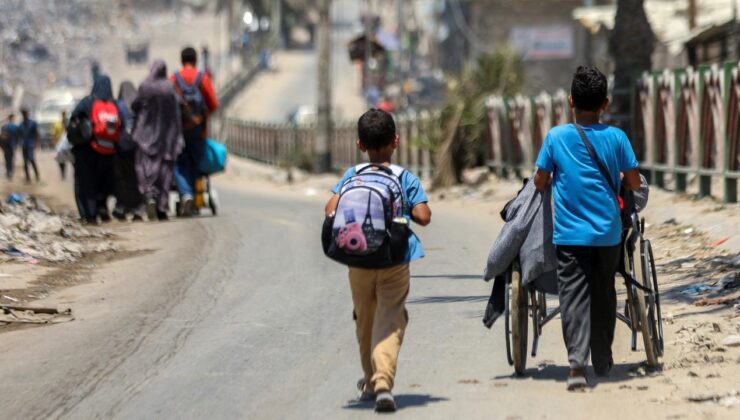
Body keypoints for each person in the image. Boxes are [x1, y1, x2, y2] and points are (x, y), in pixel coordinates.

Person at [533, 66, 641, 390]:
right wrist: (620, 177)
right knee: (604, 291)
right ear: (605, 104)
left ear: (570, 101)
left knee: (573, 296)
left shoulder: (555, 137)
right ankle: (603, 358)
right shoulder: (617, 138)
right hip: (608, 235)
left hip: (569, 236)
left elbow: (540, 181)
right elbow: (634, 181)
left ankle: (577, 364)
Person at [323, 109, 432, 412]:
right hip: (394, 259)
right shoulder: (405, 178)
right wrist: (402, 210)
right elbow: (423, 216)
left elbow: (330, 209)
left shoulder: (352, 175)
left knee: (365, 319)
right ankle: (383, 381)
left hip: (357, 259)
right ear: (395, 141)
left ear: (360, 144)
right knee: (390, 317)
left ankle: (370, 381)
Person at [70, 75, 126, 224]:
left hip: (88, 150)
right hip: (109, 151)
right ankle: (101, 207)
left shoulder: (88, 102)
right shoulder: (114, 104)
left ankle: (89, 215)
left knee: (85, 183)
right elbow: (122, 126)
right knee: (103, 183)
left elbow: (74, 118)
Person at [133, 60, 184, 221]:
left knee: (145, 167)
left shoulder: (145, 86)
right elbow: (176, 111)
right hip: (166, 136)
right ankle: (162, 208)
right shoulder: (169, 87)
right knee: (164, 172)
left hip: (146, 135)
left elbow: (135, 105)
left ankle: (149, 196)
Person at [172, 46, 219, 216]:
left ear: (182, 60)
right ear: (196, 60)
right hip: (198, 129)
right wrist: (200, 117)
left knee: (179, 163)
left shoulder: (174, 78)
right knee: (194, 163)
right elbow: (213, 103)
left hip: (178, 130)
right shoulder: (202, 78)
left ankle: (185, 195)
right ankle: (190, 198)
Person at [112, 80, 145, 221]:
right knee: (137, 177)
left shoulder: (117, 105)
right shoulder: (138, 106)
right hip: (138, 147)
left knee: (122, 178)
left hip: (121, 148)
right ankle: (138, 207)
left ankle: (123, 206)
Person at [19, 108, 40, 183]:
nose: (24, 115)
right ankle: (28, 177)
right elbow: (20, 135)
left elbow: (37, 133)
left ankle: (37, 175)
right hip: (24, 145)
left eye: (25, 113)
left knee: (31, 159)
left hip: (31, 144)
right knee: (25, 162)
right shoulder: (21, 124)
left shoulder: (32, 123)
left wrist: (37, 143)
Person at [1, 113, 20, 180]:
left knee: (6, 159)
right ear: (12, 118)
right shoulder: (15, 127)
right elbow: (18, 137)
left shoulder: (4, 126)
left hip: (5, 146)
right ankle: (10, 171)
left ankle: (8, 171)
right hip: (12, 145)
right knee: (11, 158)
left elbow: (1, 137)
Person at [51, 111, 69, 179]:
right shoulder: (57, 124)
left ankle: (64, 173)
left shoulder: (68, 124)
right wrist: (54, 143)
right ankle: (62, 173)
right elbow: (54, 134)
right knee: (60, 160)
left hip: (67, 145)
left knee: (66, 159)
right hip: (59, 145)